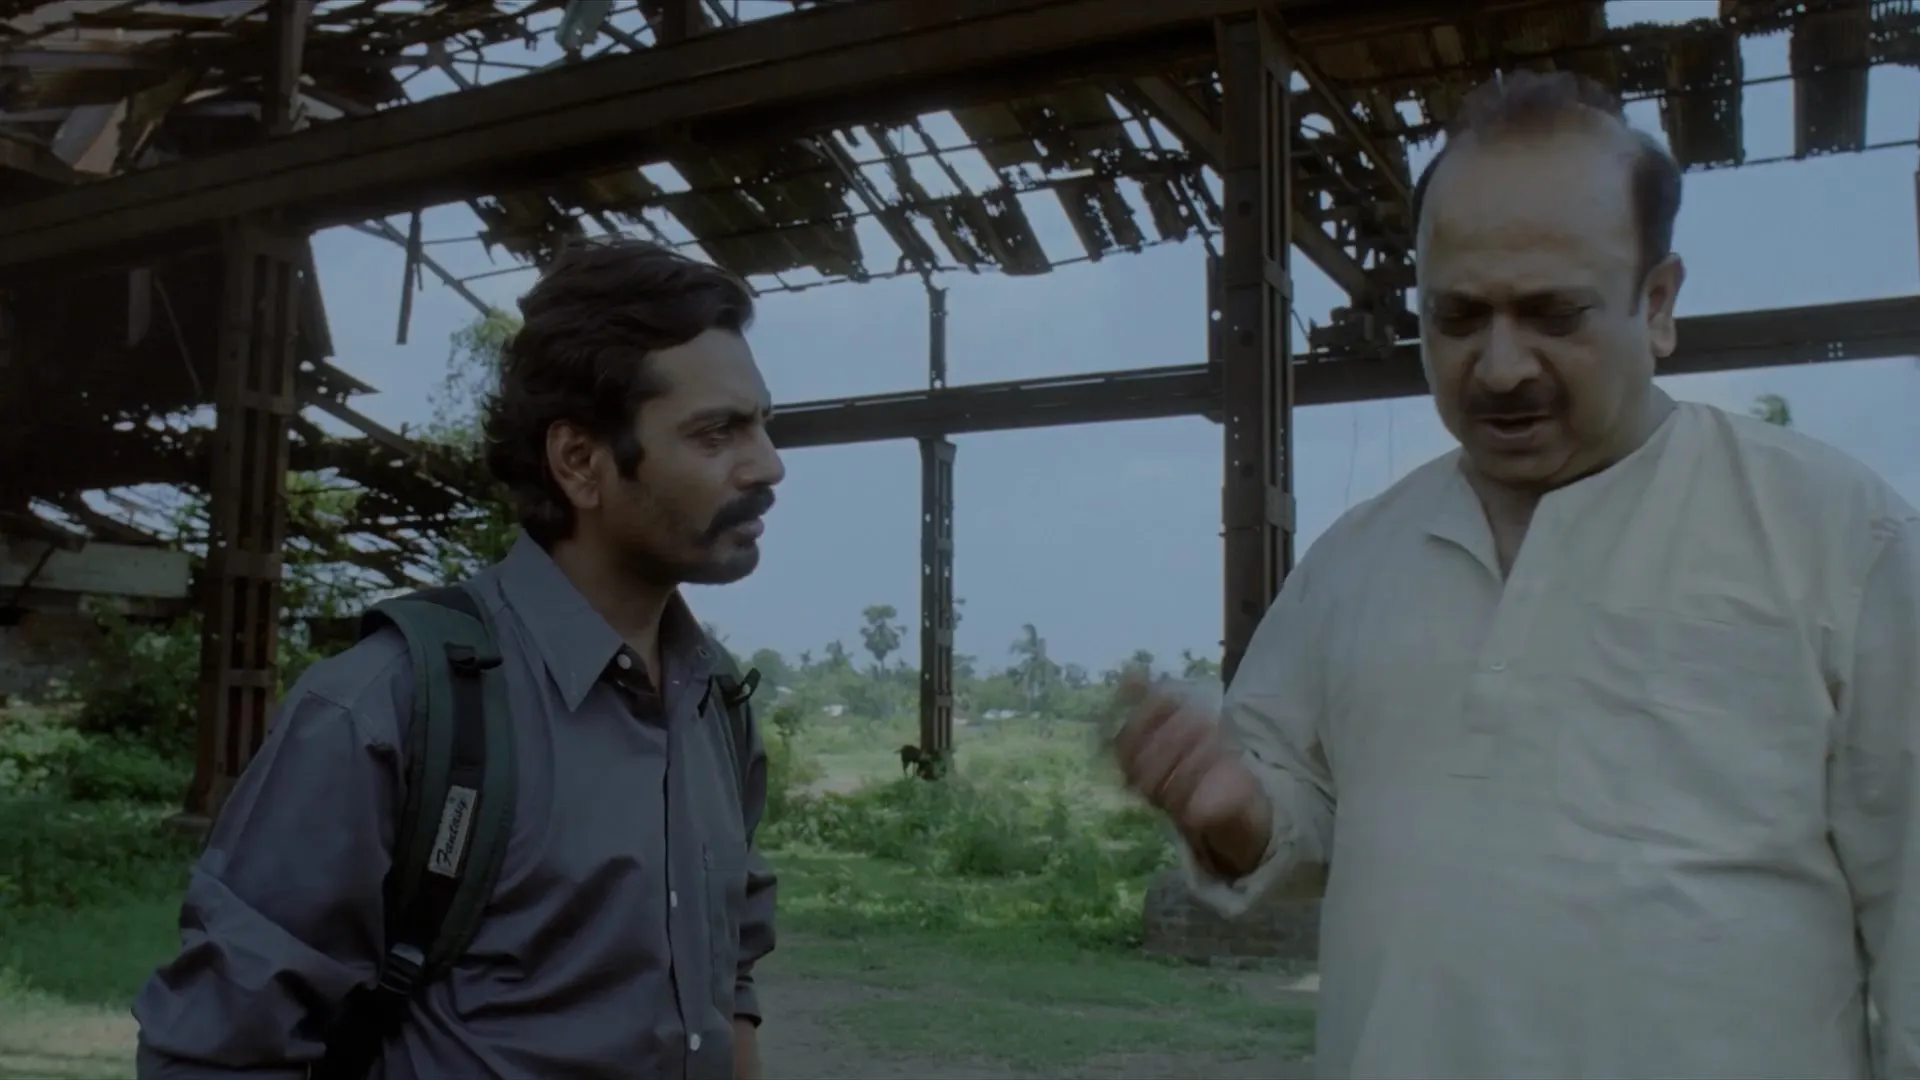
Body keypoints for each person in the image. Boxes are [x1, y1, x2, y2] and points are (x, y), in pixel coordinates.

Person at [1111, 69, 1920, 1078]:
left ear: (1657, 303)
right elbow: (1294, 819)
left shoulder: (1836, 538)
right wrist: (1237, 812)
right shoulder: (1356, 562)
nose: (1499, 368)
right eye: (1457, 318)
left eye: (1554, 314)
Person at [133, 239, 785, 1080]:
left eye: (762, 423)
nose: (768, 464)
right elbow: (221, 1049)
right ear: (580, 461)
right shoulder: (387, 705)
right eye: (716, 433)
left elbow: (729, 977)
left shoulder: (714, 701)